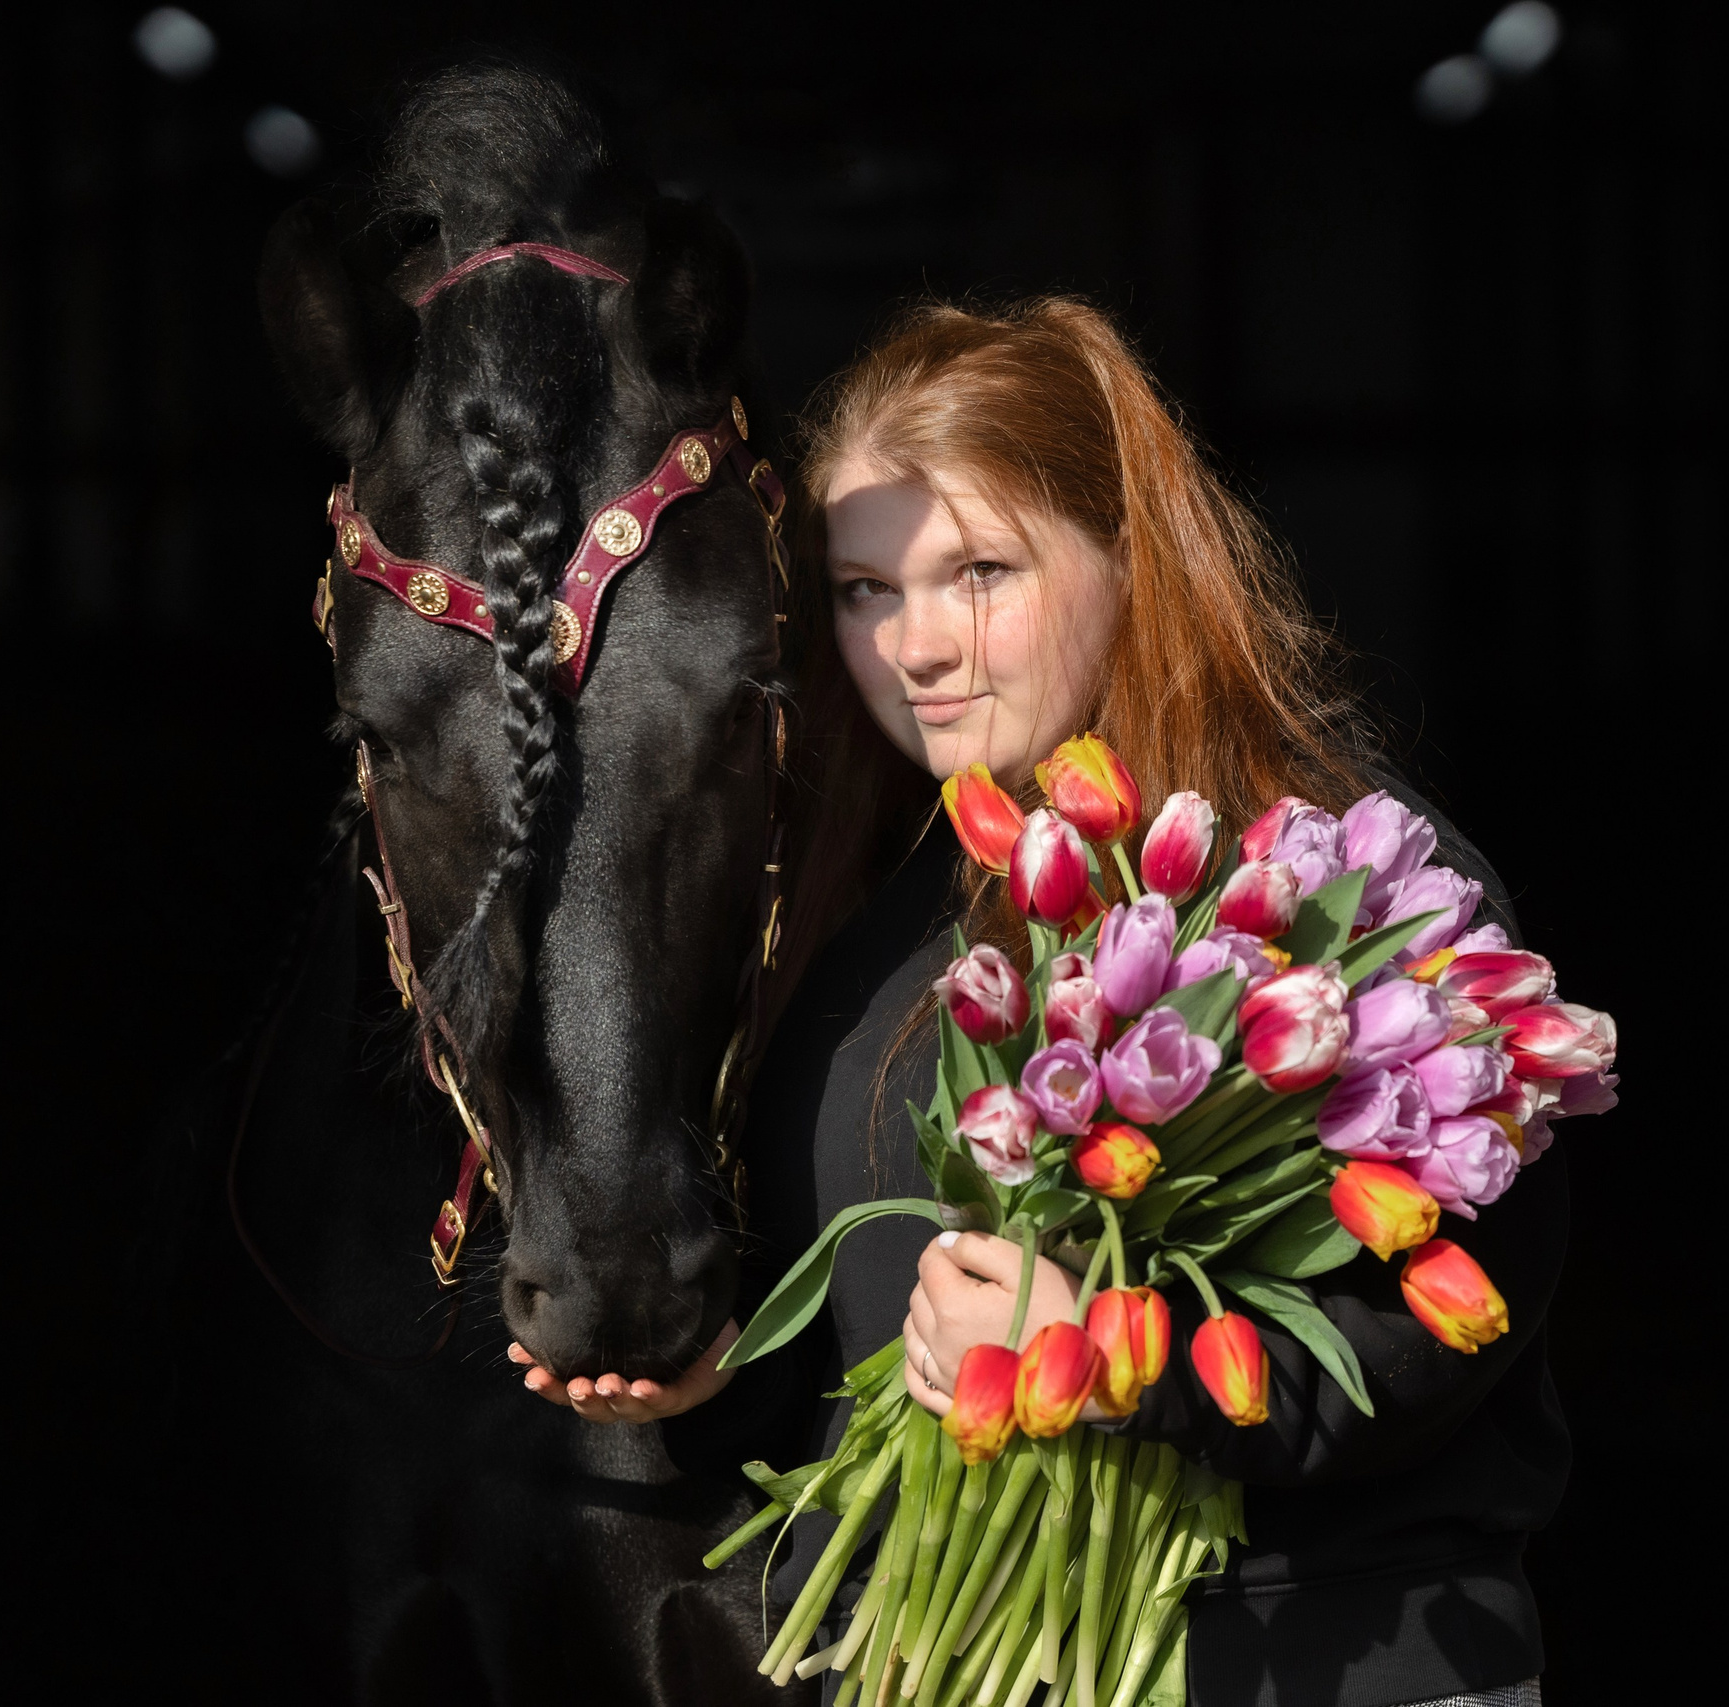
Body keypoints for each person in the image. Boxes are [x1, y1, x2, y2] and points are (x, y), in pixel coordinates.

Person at [509, 298, 1568, 1707]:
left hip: (1308, 1663)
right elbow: (891, 1329)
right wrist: (729, 1385)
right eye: (864, 589)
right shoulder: (859, 928)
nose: (916, 646)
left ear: (1130, 555)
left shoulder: (1339, 886)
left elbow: (1446, 1328)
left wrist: (1122, 1367)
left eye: (981, 571)